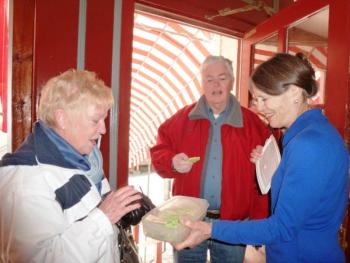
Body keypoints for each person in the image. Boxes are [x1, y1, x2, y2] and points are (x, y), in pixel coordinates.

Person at [174, 53, 349, 263]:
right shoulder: (315, 132)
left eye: (264, 99)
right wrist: (272, 169)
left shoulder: (308, 144)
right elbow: (307, 198)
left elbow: (283, 227)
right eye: (256, 99)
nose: (258, 107)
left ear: (294, 92)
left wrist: (211, 229)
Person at [0, 69, 143, 263]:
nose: (103, 129)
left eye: (104, 119)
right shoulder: (25, 182)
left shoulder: (83, 159)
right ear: (62, 118)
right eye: (96, 120)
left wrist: (123, 208)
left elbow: (88, 213)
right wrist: (104, 218)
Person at [150, 55, 271, 263]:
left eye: (222, 78)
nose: (215, 85)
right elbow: (158, 152)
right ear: (202, 83)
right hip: (187, 221)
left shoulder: (254, 125)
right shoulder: (182, 119)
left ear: (231, 82)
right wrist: (171, 162)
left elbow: (266, 181)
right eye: (209, 79)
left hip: (232, 226)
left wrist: (259, 226)